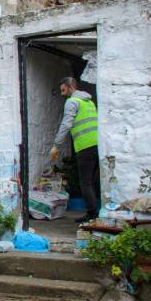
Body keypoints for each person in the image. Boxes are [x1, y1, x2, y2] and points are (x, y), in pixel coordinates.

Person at [50, 77, 99, 223]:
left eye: (63, 89)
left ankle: (92, 214)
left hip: (85, 146)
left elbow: (66, 124)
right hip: (98, 144)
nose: (62, 93)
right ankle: (95, 212)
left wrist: (56, 146)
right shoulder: (89, 101)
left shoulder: (72, 102)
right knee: (92, 181)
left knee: (85, 182)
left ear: (70, 86)